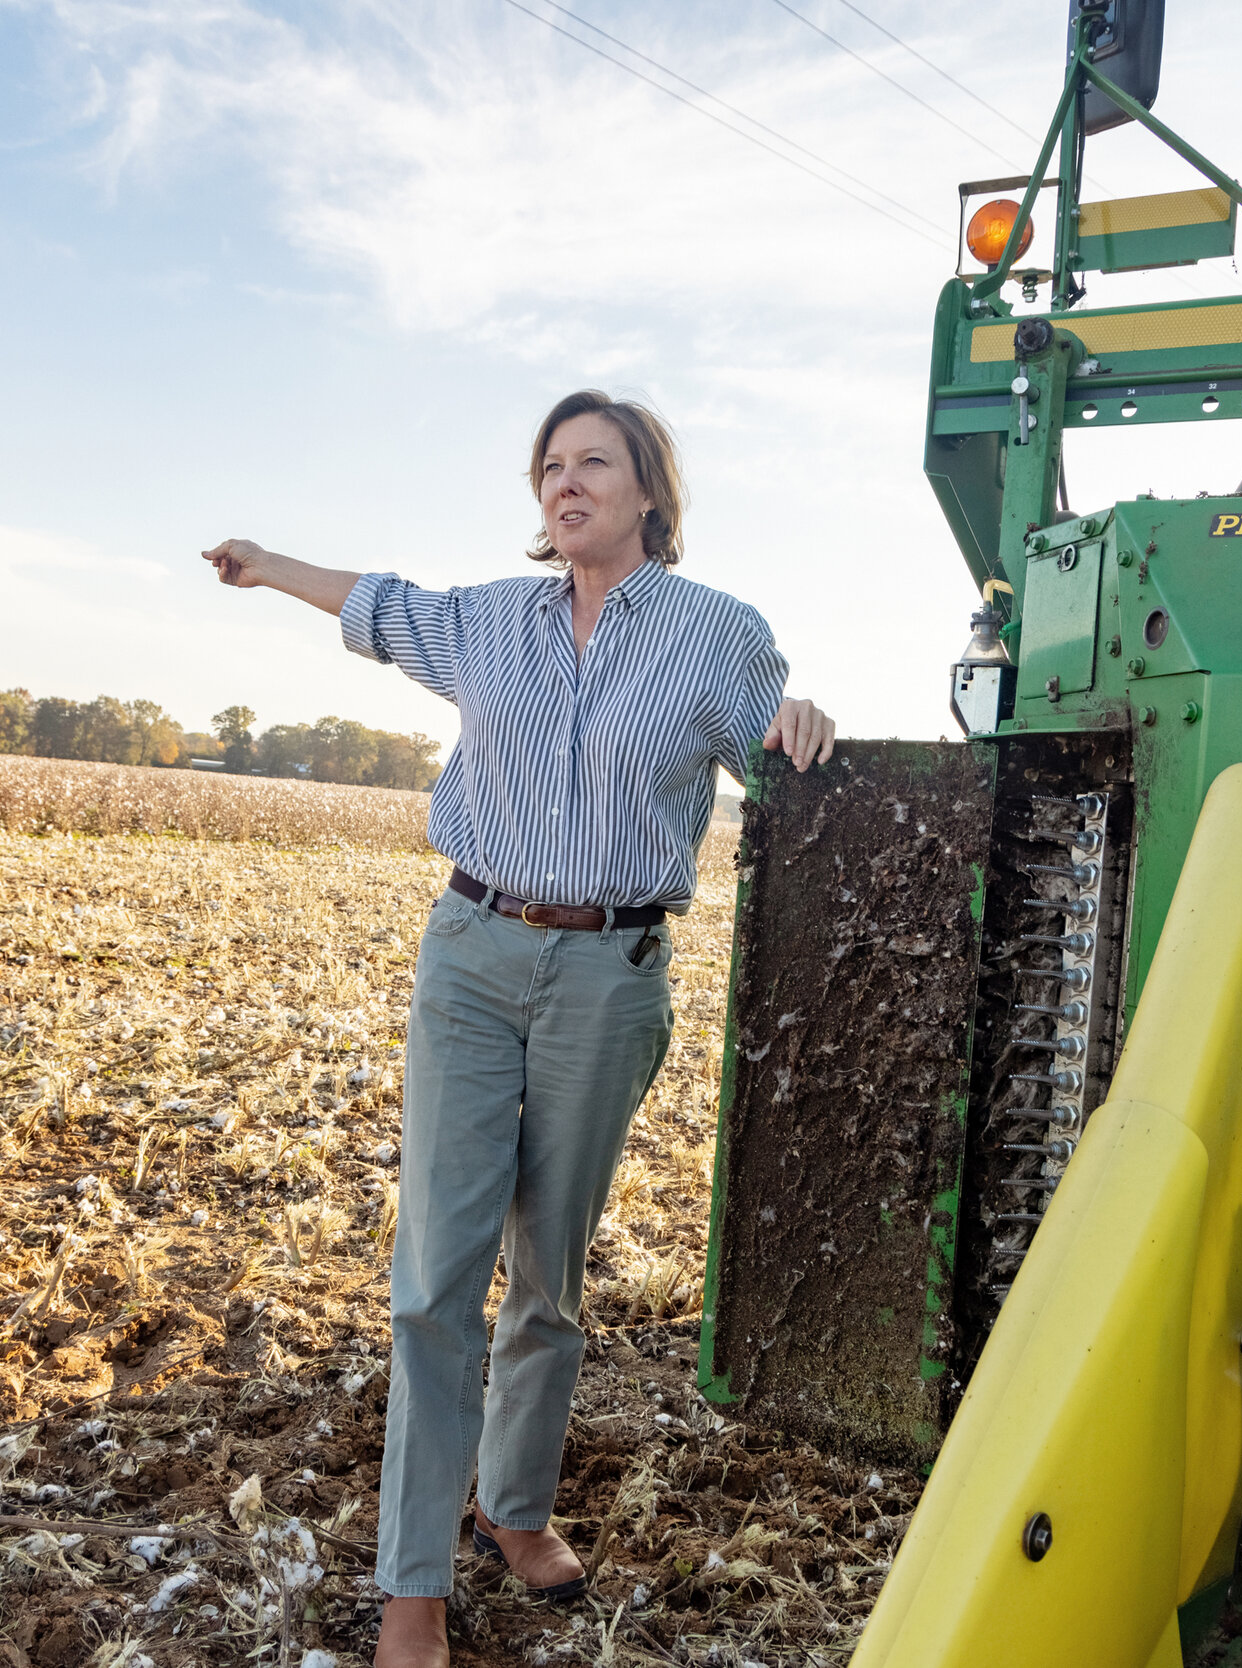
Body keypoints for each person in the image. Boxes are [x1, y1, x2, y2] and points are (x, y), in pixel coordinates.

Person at [203, 390, 835, 1668]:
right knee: (436, 1278)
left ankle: (514, 1507)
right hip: (475, 956)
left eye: (592, 462)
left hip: (611, 972)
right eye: (550, 465)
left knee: (549, 1272)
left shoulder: (719, 635)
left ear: (648, 489)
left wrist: (804, 724)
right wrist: (269, 569)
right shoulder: (492, 621)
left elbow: (773, 754)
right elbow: (378, 603)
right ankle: (412, 1584)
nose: (564, 482)